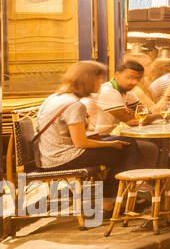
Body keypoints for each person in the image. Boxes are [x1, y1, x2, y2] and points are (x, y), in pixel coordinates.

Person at [33, 61, 133, 212]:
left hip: (47, 155)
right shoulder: (75, 104)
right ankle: (109, 203)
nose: (101, 84)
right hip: (61, 157)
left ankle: (117, 198)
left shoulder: (55, 97)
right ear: (88, 80)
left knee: (124, 142)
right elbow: (81, 143)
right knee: (125, 149)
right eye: (99, 79)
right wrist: (111, 144)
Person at [90, 60, 162, 170]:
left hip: (107, 136)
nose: (134, 82)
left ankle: (149, 181)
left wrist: (141, 115)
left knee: (155, 144)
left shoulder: (127, 93)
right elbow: (134, 121)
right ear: (117, 75)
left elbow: (144, 112)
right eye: (129, 77)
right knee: (146, 147)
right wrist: (159, 115)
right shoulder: (109, 91)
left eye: (138, 79)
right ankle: (132, 182)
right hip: (96, 139)